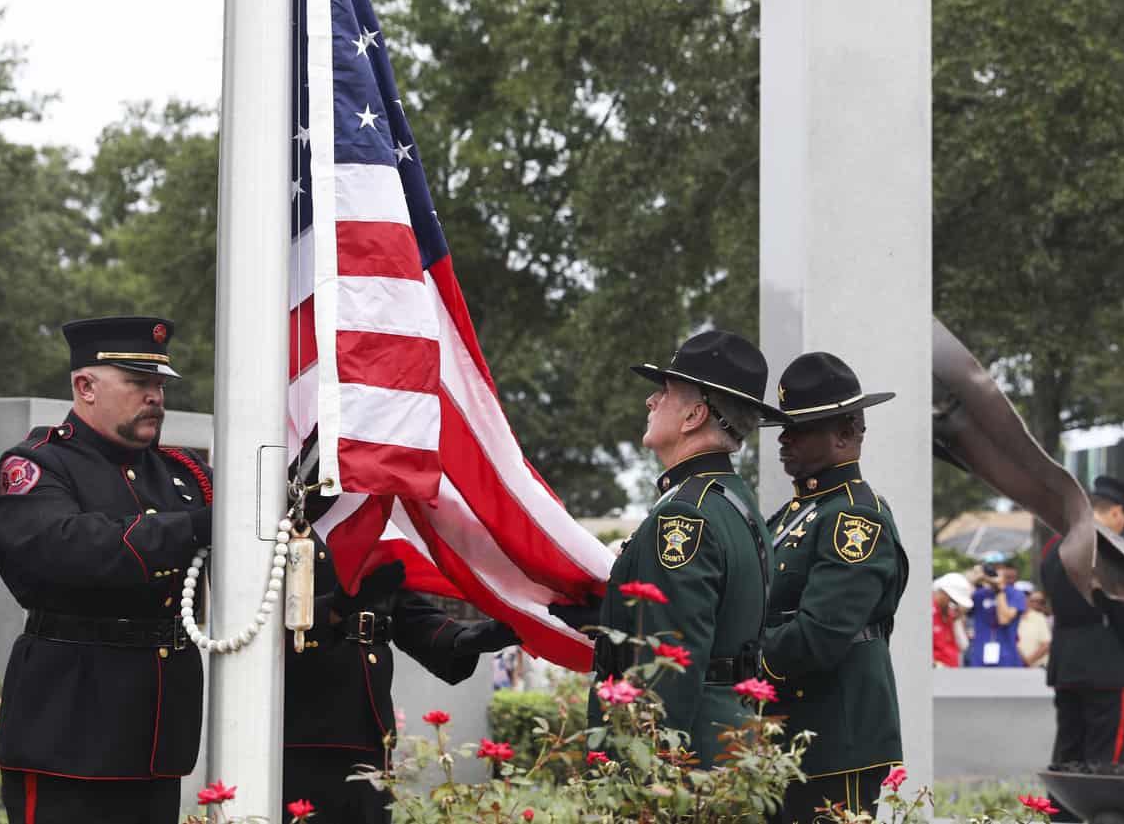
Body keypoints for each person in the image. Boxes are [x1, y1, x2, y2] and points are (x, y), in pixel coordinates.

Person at [0, 316, 212, 824]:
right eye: (138, 382)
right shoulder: (37, 466)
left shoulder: (180, 474)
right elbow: (67, 550)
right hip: (69, 733)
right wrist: (191, 528)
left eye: (158, 384)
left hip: (155, 734)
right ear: (85, 386)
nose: (155, 395)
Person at [553, 330, 777, 767]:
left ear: (694, 415)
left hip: (682, 756)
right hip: (723, 740)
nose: (650, 402)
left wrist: (648, 771)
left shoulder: (684, 515)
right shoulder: (732, 500)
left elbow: (668, 663)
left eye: (665, 392)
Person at [758, 352, 910, 824]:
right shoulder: (793, 514)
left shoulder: (853, 516)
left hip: (834, 737)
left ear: (846, 434)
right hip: (791, 732)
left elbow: (819, 635)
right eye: (784, 427)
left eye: (800, 428)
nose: (785, 439)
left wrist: (738, 664)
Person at [283, 547, 519, 824]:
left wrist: (472, 639)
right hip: (298, 733)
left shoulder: (361, 520)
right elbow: (249, 618)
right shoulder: (261, 514)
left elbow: (405, 612)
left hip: (367, 732)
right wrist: (335, 609)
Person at [1040, 475, 1124, 767]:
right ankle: (1102, 815)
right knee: (1108, 762)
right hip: (1107, 666)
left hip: (1065, 664)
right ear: (1115, 512)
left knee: (1067, 754)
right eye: (1123, 519)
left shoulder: (1054, 546)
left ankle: (1062, 813)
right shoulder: (1109, 547)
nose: (1122, 528)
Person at [966, 553, 1026, 667]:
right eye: (990, 567)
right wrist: (972, 581)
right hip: (980, 657)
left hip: (1007, 657)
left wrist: (999, 590)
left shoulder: (1015, 594)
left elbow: (1004, 619)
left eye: (998, 567)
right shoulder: (979, 594)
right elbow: (960, 610)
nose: (993, 570)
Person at [932, 572, 973, 668]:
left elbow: (963, 645)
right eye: (952, 600)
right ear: (942, 592)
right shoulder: (928, 613)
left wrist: (957, 620)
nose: (954, 605)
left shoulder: (951, 615)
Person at [1017, 587, 1052, 667]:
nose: (1023, 599)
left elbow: (1046, 644)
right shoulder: (1008, 618)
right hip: (1015, 668)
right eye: (1020, 595)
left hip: (1037, 668)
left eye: (1027, 596)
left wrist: (1027, 662)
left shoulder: (1040, 617)